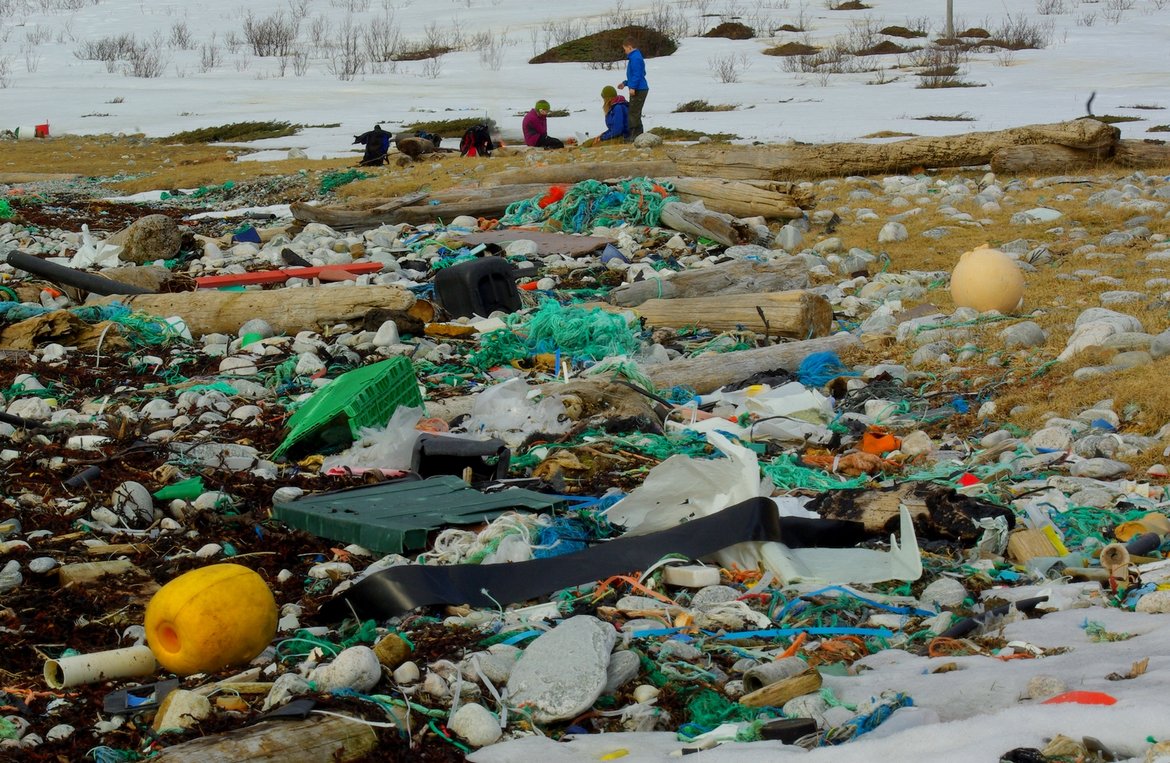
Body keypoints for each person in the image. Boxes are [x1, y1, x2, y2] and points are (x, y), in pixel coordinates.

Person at [618, 37, 648, 138]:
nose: (625, 51)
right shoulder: (635, 57)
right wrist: (625, 83)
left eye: (625, 49)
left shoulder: (635, 58)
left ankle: (634, 136)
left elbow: (638, 74)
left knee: (633, 113)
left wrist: (633, 87)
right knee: (635, 112)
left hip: (639, 89)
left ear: (630, 47)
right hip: (639, 87)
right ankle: (638, 135)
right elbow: (640, 73)